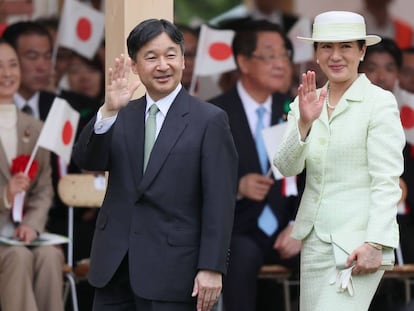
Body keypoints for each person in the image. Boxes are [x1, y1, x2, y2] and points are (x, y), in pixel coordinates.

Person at [72, 18, 238, 311]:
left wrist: (212, 267)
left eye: (170, 55)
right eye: (151, 57)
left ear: (183, 61)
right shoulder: (121, 113)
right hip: (114, 267)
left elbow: (219, 202)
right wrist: (108, 110)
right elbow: (88, 159)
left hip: (174, 270)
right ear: (135, 66)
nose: (162, 65)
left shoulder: (209, 120)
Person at [273, 11, 405, 310]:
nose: (335, 56)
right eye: (326, 47)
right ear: (316, 54)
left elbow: (387, 181)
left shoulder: (379, 102)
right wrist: (304, 124)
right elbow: (284, 167)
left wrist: (376, 243)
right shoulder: (305, 101)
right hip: (313, 243)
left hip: (359, 244)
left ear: (362, 51)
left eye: (346, 46)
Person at [209, 20, 301, 311]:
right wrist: (235, 187)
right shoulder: (213, 113)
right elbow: (195, 178)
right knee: (241, 256)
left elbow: (313, 177)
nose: (281, 64)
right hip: (237, 231)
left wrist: (299, 226)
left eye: (285, 55)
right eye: (270, 55)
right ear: (243, 62)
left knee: (323, 257)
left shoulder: (296, 111)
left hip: (287, 229)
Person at [0, 38, 64, 311]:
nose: (7, 73)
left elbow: (43, 190)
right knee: (18, 257)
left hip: (22, 232)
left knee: (50, 256)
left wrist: (32, 224)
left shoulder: (36, 128)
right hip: (7, 244)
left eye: (13, 65)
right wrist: (6, 194)